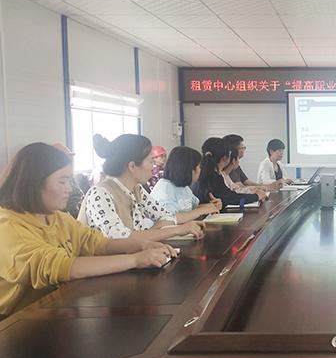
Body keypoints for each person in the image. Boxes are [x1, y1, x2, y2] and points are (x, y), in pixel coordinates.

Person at [0, 143, 178, 316]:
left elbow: (96, 242)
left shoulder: (57, 218)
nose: (69, 189)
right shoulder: (7, 226)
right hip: (16, 323)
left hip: (55, 308)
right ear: (33, 183)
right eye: (62, 181)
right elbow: (58, 266)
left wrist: (142, 245)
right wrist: (135, 260)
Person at [79, 134, 204, 241]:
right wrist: (176, 230)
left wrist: (148, 233)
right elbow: (120, 239)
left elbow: (167, 216)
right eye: (150, 161)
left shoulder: (136, 190)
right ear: (132, 166)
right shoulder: (100, 193)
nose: (153, 167)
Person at [150, 146, 222, 223]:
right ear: (189, 169)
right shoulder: (164, 190)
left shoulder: (184, 187)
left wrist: (211, 206)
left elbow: (192, 208)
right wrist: (202, 210)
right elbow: (169, 218)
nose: (200, 171)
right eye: (199, 167)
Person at [193, 137, 265, 206]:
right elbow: (231, 198)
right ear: (225, 158)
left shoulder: (202, 174)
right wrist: (257, 196)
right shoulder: (215, 177)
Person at [51, 142, 84, 218]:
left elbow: (78, 193)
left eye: (70, 156)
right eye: (66, 157)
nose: (70, 160)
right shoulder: (54, 177)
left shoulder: (68, 174)